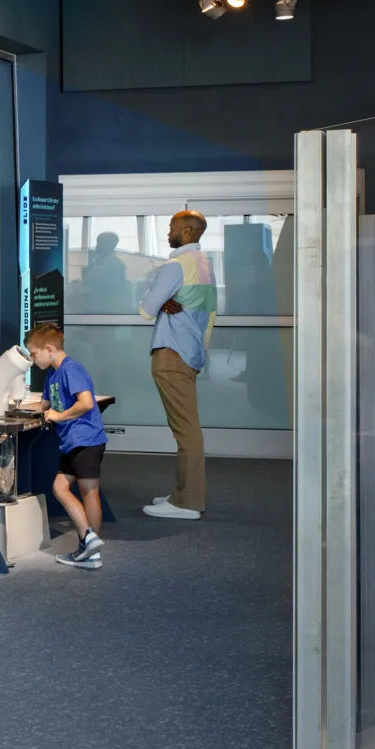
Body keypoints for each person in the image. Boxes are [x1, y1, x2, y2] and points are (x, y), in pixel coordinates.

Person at [140, 210, 216, 520]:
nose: (168, 232)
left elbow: (146, 310)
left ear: (187, 232)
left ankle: (187, 503)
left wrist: (158, 297)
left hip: (171, 354)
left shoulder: (175, 266)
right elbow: (207, 315)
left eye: (172, 228)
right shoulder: (205, 264)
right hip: (191, 353)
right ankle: (183, 494)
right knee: (186, 428)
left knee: (185, 431)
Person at [23, 324, 108, 571]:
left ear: (49, 349)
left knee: (88, 492)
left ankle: (89, 545)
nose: (32, 358)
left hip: (86, 440)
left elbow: (86, 403)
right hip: (71, 441)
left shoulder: (71, 369)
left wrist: (60, 417)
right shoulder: (52, 374)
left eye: (34, 353)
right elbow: (45, 404)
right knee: (60, 488)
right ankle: (89, 540)